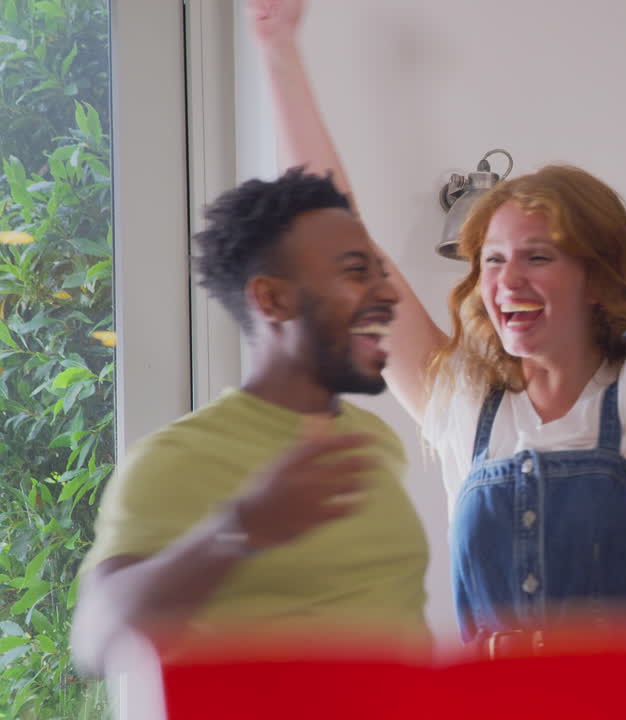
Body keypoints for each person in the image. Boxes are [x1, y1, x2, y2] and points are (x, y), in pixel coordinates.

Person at [248, 0, 626, 648]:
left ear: (596, 279)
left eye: (538, 257)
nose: (507, 281)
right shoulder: (464, 404)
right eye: (493, 260)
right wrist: (278, 51)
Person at [71, 169, 431, 675]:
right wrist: (238, 529)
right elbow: (95, 638)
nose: (389, 294)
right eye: (356, 272)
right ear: (272, 300)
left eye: (381, 272)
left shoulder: (376, 440)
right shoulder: (176, 459)